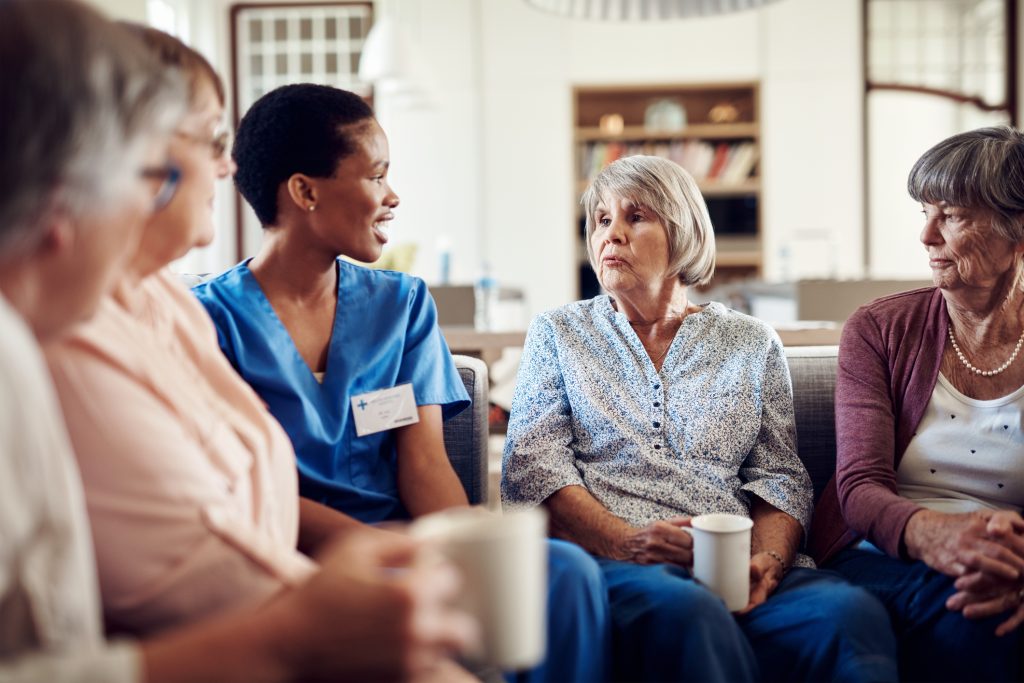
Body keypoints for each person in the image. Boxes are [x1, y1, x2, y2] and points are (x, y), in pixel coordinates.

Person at [0, 1, 474, 682]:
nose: (222, 169)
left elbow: (403, 465)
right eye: (153, 165)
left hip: (322, 583)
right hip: (285, 601)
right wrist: (313, 617)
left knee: (560, 580)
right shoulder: (79, 333)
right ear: (65, 189)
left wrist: (445, 554)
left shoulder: (164, 305)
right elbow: (204, 557)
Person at [192, 83, 610, 683]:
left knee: (563, 571)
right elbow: (233, 491)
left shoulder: (402, 304)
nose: (393, 197)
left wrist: (470, 548)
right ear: (305, 191)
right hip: (281, 555)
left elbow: (425, 465)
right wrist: (377, 547)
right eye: (375, 177)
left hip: (409, 550)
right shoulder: (209, 321)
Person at [501, 154, 899, 683]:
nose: (610, 234)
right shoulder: (558, 332)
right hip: (615, 563)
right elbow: (533, 468)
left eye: (634, 216)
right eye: (601, 220)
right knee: (685, 611)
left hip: (733, 562)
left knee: (850, 617)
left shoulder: (751, 341)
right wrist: (626, 541)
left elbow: (780, 478)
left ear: (683, 232)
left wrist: (767, 565)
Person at [809, 126, 1024, 682]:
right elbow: (857, 487)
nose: (926, 235)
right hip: (879, 553)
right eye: (925, 212)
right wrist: (937, 535)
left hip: (1006, 560)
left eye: (951, 215)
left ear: (1017, 233)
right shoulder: (880, 329)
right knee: (978, 618)